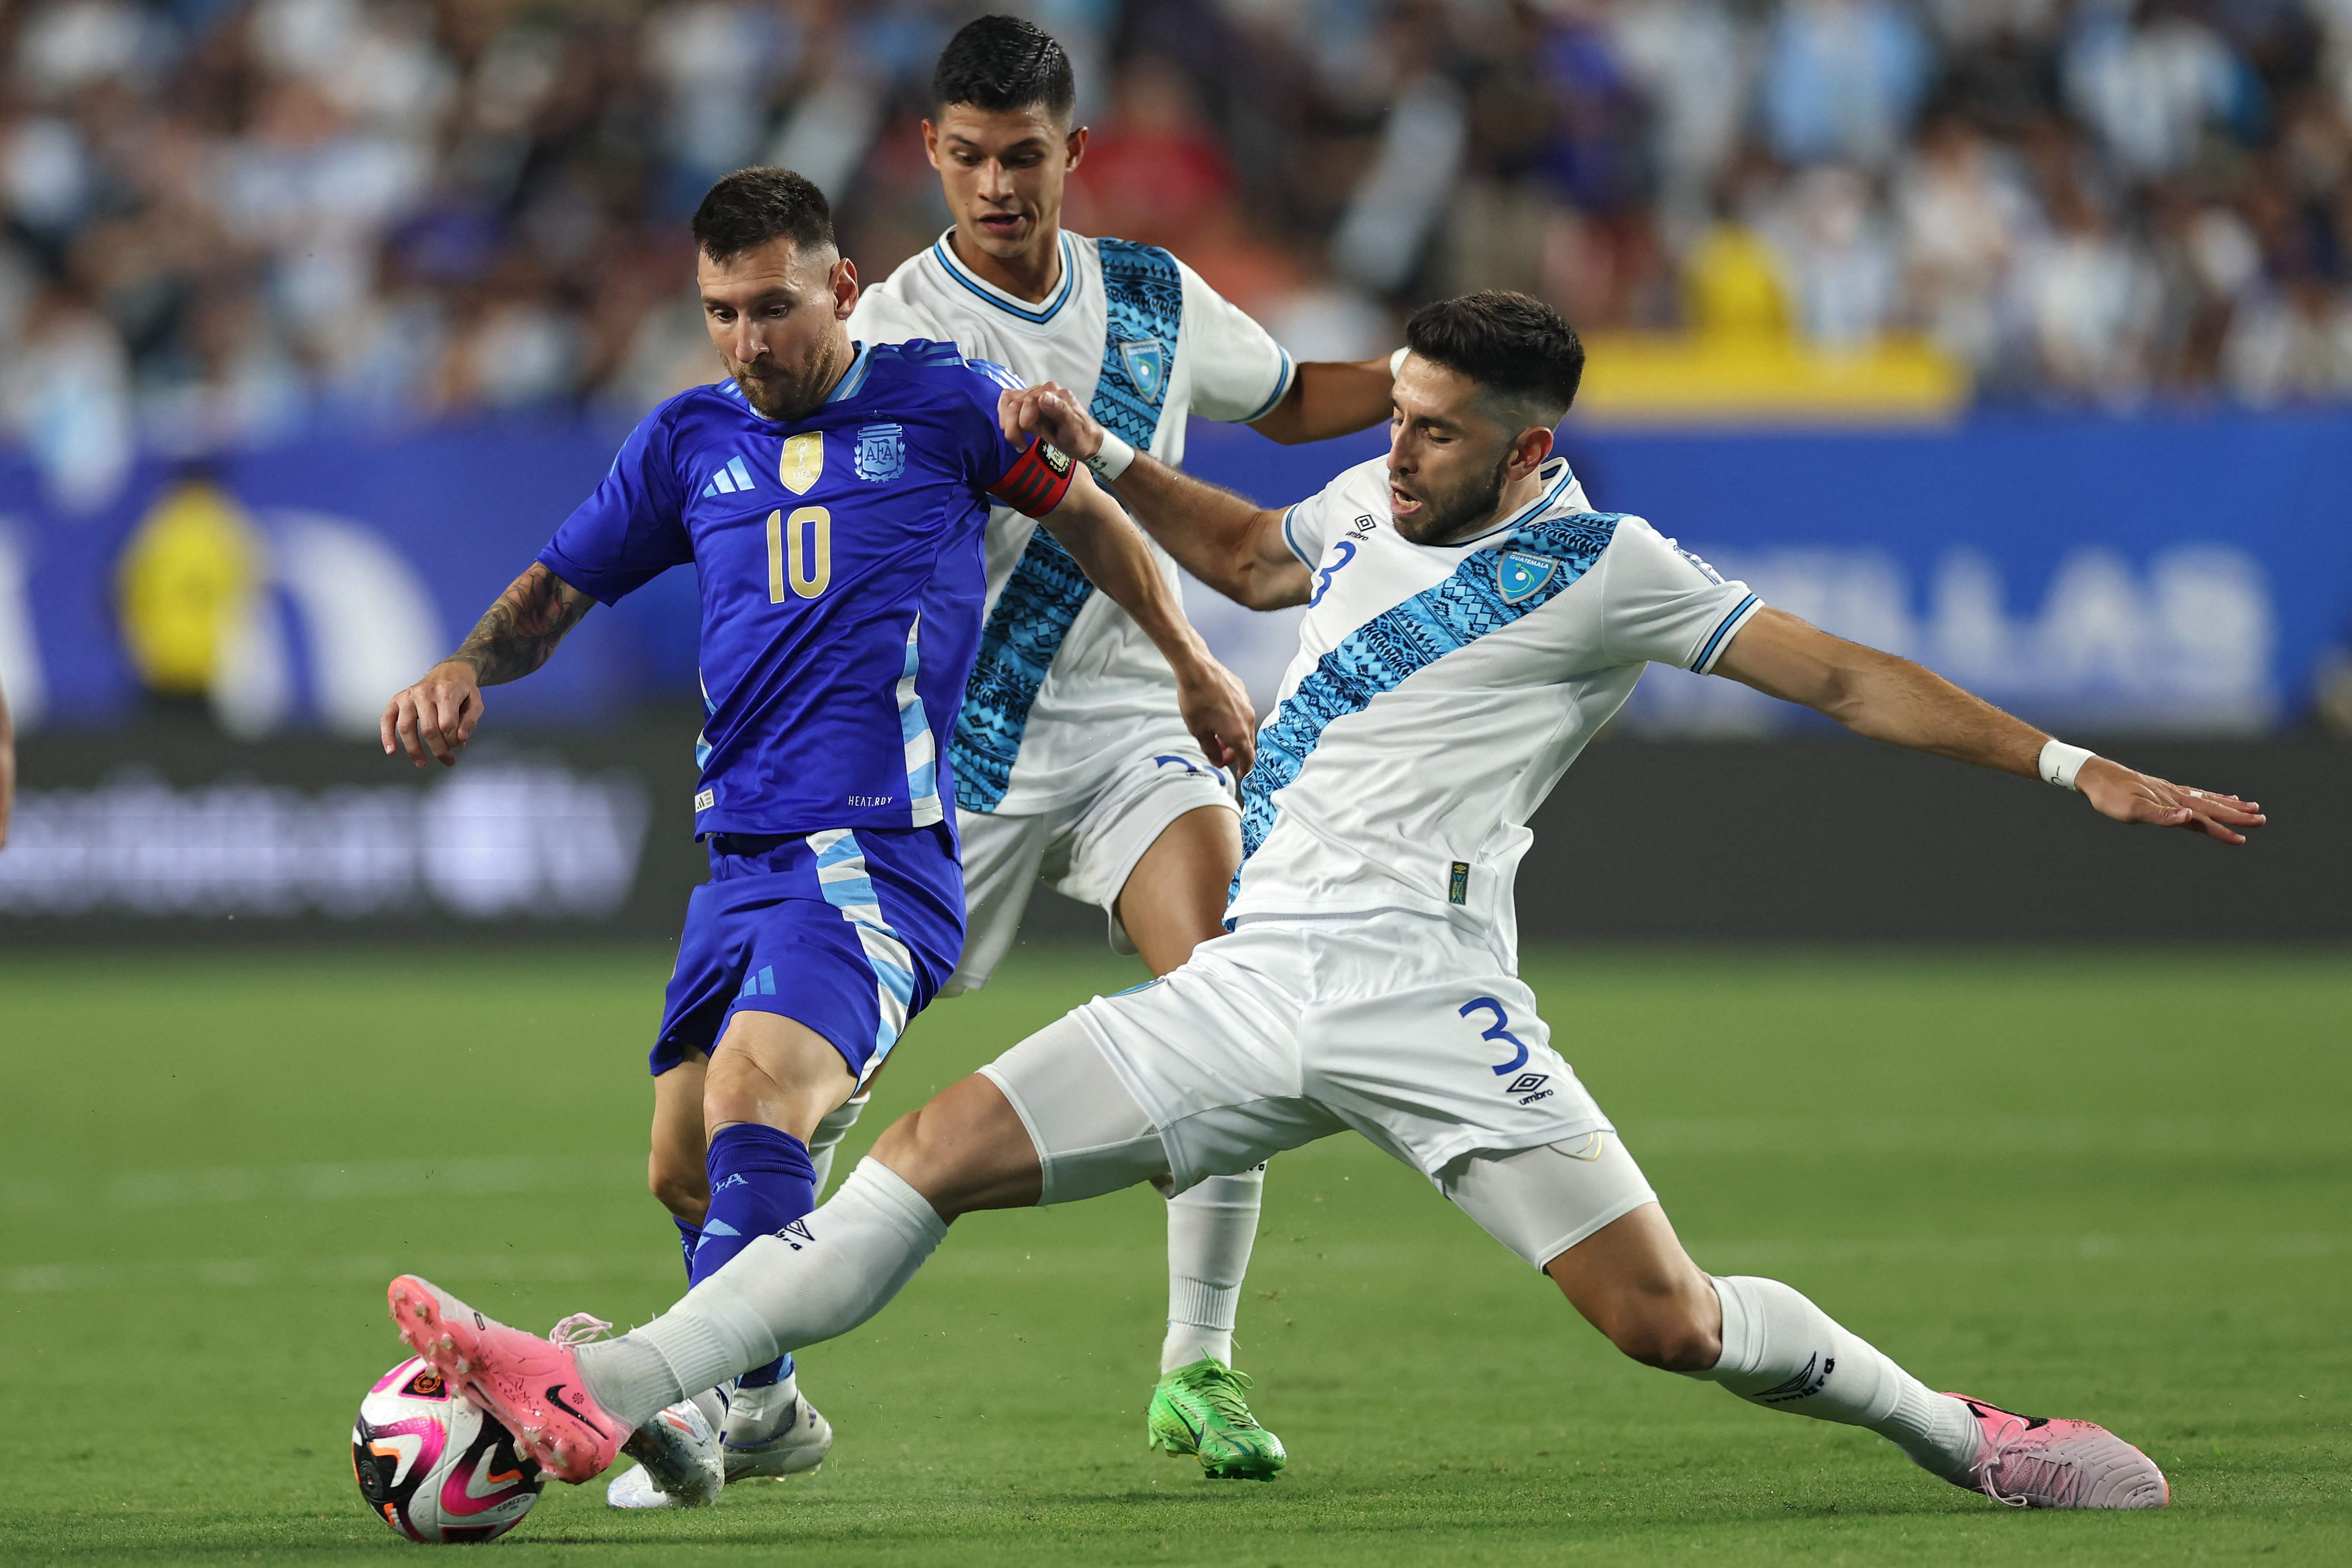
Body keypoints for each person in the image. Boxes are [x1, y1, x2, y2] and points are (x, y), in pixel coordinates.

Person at [384, 290, 2261, 1510]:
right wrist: (1108, 455)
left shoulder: (1609, 566)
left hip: (1435, 993)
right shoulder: (1376, 505)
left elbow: (1845, 677)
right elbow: (1259, 553)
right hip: (1257, 968)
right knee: (940, 1143)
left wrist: (2067, 766)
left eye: (1437, 430)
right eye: (1401, 412)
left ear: (1528, 448)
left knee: (1668, 1323)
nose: (1396, 447)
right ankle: (608, 1379)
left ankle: (1965, 1436)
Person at [377, 167, 1253, 1504]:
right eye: (723, 312)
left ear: (843, 290)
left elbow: (1087, 515)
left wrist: (1191, 661)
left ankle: (675, 1397)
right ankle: (773, 1406)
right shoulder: (686, 441)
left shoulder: (943, 405)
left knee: (754, 1100)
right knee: (683, 1167)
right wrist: (464, 669)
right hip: (740, 866)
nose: (749, 341)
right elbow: (560, 590)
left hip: (876, 857)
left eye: (774, 307)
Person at [616, 16, 1400, 1497]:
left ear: (1071, 154)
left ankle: (1199, 1365)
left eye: (1022, 156)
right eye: (967, 157)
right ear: (931, 153)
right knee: (771, 1112)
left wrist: (1429, 380)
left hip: (1128, 739)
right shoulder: (897, 328)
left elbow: (1293, 399)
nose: (994, 185)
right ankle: (748, 1380)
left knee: (1227, 988)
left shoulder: (1157, 302)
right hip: (945, 754)